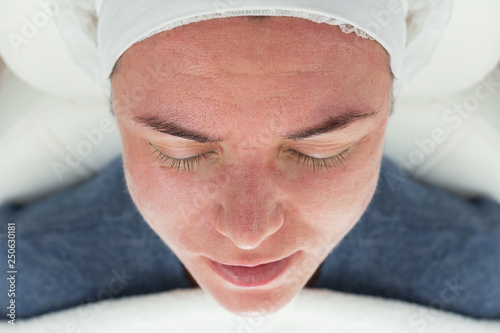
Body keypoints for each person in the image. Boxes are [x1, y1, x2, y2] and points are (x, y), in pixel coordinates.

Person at [1, 0, 500, 322]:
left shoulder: (476, 273)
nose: (247, 233)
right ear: (114, 111)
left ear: (391, 110)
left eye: (319, 150)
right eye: (181, 151)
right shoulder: (23, 274)